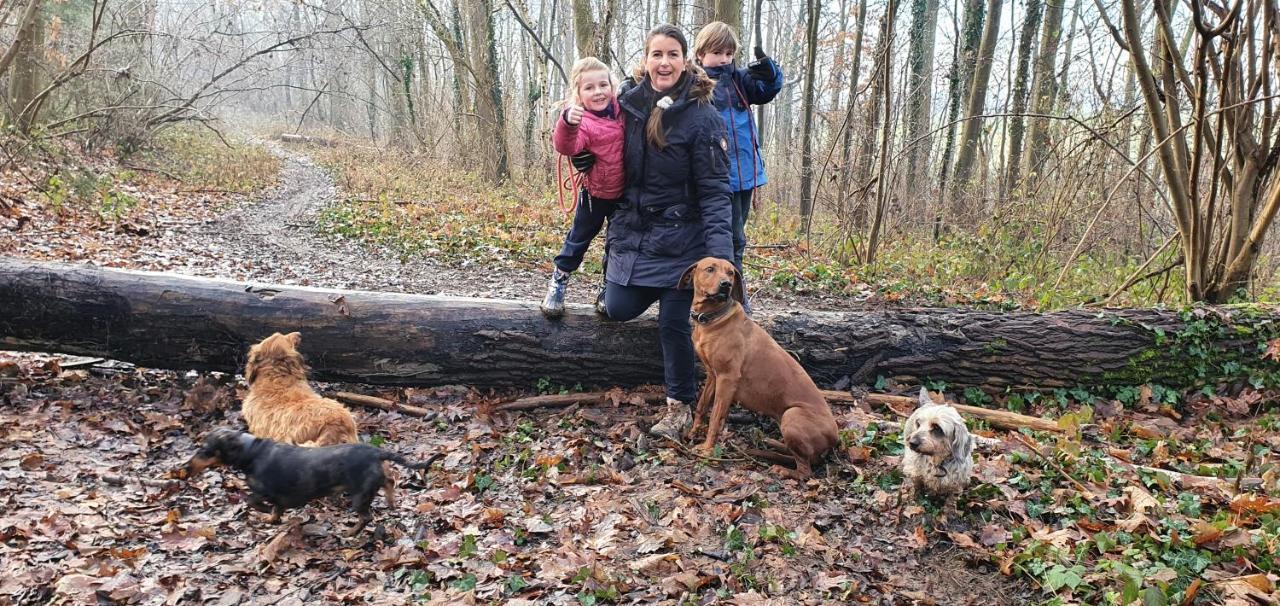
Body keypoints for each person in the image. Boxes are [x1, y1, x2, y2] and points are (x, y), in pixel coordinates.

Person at [603, 23, 733, 439]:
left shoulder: (702, 117)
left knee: (673, 322)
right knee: (618, 308)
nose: (664, 62)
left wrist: (720, 259)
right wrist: (588, 158)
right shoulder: (628, 104)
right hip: (637, 233)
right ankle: (653, 291)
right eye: (656, 54)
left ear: (685, 60)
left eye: (672, 54)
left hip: (685, 241)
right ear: (645, 60)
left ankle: (680, 405)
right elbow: (598, 140)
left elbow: (715, 194)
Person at [692, 21, 783, 306]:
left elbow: (767, 89)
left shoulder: (741, 80)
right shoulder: (697, 83)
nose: (724, 59)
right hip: (712, 178)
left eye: (729, 53)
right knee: (717, 240)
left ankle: (734, 299)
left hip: (744, 175)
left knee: (736, 240)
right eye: (717, 52)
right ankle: (713, 298)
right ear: (701, 54)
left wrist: (771, 73)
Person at [541, 57, 625, 318]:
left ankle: (607, 289)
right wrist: (567, 122)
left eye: (603, 85)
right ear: (578, 93)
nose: (598, 92)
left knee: (618, 243)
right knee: (579, 238)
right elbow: (566, 146)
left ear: (612, 86)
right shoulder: (583, 121)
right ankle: (559, 280)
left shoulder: (623, 111)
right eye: (589, 88)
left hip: (626, 194)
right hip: (595, 193)